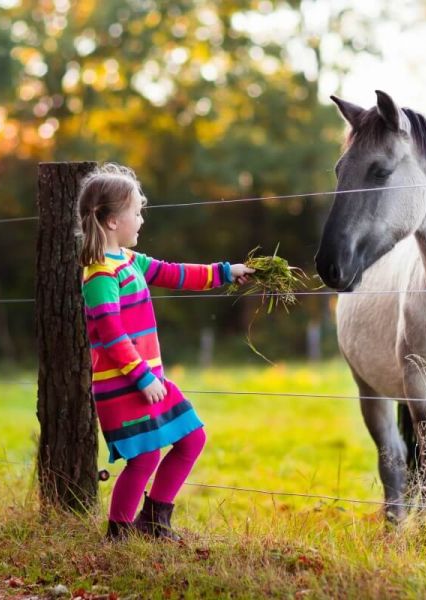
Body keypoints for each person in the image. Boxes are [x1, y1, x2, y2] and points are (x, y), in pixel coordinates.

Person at [77, 163, 254, 541]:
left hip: (148, 379)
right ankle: (120, 535)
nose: (141, 220)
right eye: (136, 213)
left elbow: (175, 273)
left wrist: (226, 272)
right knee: (143, 458)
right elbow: (110, 332)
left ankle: (154, 522)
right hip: (126, 384)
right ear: (111, 221)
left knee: (192, 439)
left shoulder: (128, 261)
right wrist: (141, 376)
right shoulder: (99, 274)